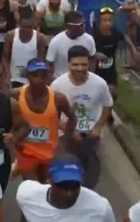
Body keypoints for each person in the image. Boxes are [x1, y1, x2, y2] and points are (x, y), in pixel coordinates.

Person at [51, 46, 113, 189]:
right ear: (68, 64)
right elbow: (52, 115)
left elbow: (108, 105)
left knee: (91, 177)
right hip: (66, 137)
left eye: (84, 64)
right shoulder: (57, 85)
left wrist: (98, 127)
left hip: (91, 137)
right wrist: (68, 130)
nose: (80, 68)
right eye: (75, 64)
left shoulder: (99, 84)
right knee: (67, 176)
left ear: (89, 64)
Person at [11, 58, 76, 183]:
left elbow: (72, 117)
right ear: (27, 75)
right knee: (32, 188)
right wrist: (14, 137)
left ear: (48, 77)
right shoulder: (16, 95)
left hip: (50, 151)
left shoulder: (58, 98)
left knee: (45, 185)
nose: (39, 79)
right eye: (35, 75)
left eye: (43, 75)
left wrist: (67, 139)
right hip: (26, 151)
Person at [17, 154, 116, 222]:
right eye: (63, 186)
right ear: (50, 179)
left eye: (75, 186)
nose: (69, 193)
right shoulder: (27, 194)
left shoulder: (100, 208)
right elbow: (26, 210)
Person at [46, 11, 98, 78]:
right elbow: (49, 64)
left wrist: (90, 77)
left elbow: (92, 60)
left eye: (84, 23)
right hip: (61, 81)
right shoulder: (56, 42)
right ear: (69, 26)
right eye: (80, 25)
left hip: (83, 80)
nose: (84, 27)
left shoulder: (89, 39)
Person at [2, 17, 49, 89]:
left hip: (32, 77)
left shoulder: (40, 38)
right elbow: (5, 58)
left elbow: (41, 61)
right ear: (19, 25)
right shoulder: (11, 35)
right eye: (24, 27)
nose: (26, 30)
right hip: (13, 76)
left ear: (33, 26)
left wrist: (30, 73)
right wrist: (7, 76)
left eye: (29, 27)